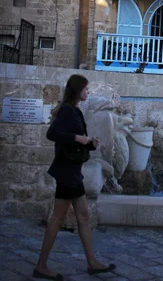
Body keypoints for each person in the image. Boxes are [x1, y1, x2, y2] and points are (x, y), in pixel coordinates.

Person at [34, 74, 116, 280]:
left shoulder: (74, 110)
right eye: (86, 89)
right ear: (78, 90)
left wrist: (89, 142)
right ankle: (42, 265)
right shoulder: (68, 110)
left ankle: (92, 262)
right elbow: (52, 134)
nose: (89, 92)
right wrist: (79, 137)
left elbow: (73, 139)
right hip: (66, 173)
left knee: (83, 217)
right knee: (58, 219)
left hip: (72, 172)